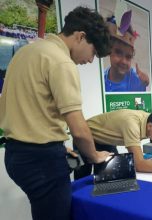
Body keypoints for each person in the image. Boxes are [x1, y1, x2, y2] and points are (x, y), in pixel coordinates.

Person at [0, 7, 112, 220]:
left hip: (15, 155)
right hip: (41, 161)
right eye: (94, 52)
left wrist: (57, 144)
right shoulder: (61, 61)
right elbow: (79, 130)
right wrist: (96, 156)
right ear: (80, 37)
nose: (90, 61)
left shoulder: (26, 51)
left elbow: (30, 107)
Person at [74, 109, 152, 180]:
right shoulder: (132, 124)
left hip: (106, 141)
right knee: (82, 180)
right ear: (149, 126)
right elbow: (139, 164)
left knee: (109, 180)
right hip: (86, 137)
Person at [104, 12, 149, 92]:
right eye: (118, 52)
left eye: (128, 57)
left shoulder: (136, 80)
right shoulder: (101, 80)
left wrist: (144, 84)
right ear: (109, 50)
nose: (123, 61)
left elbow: (141, 103)